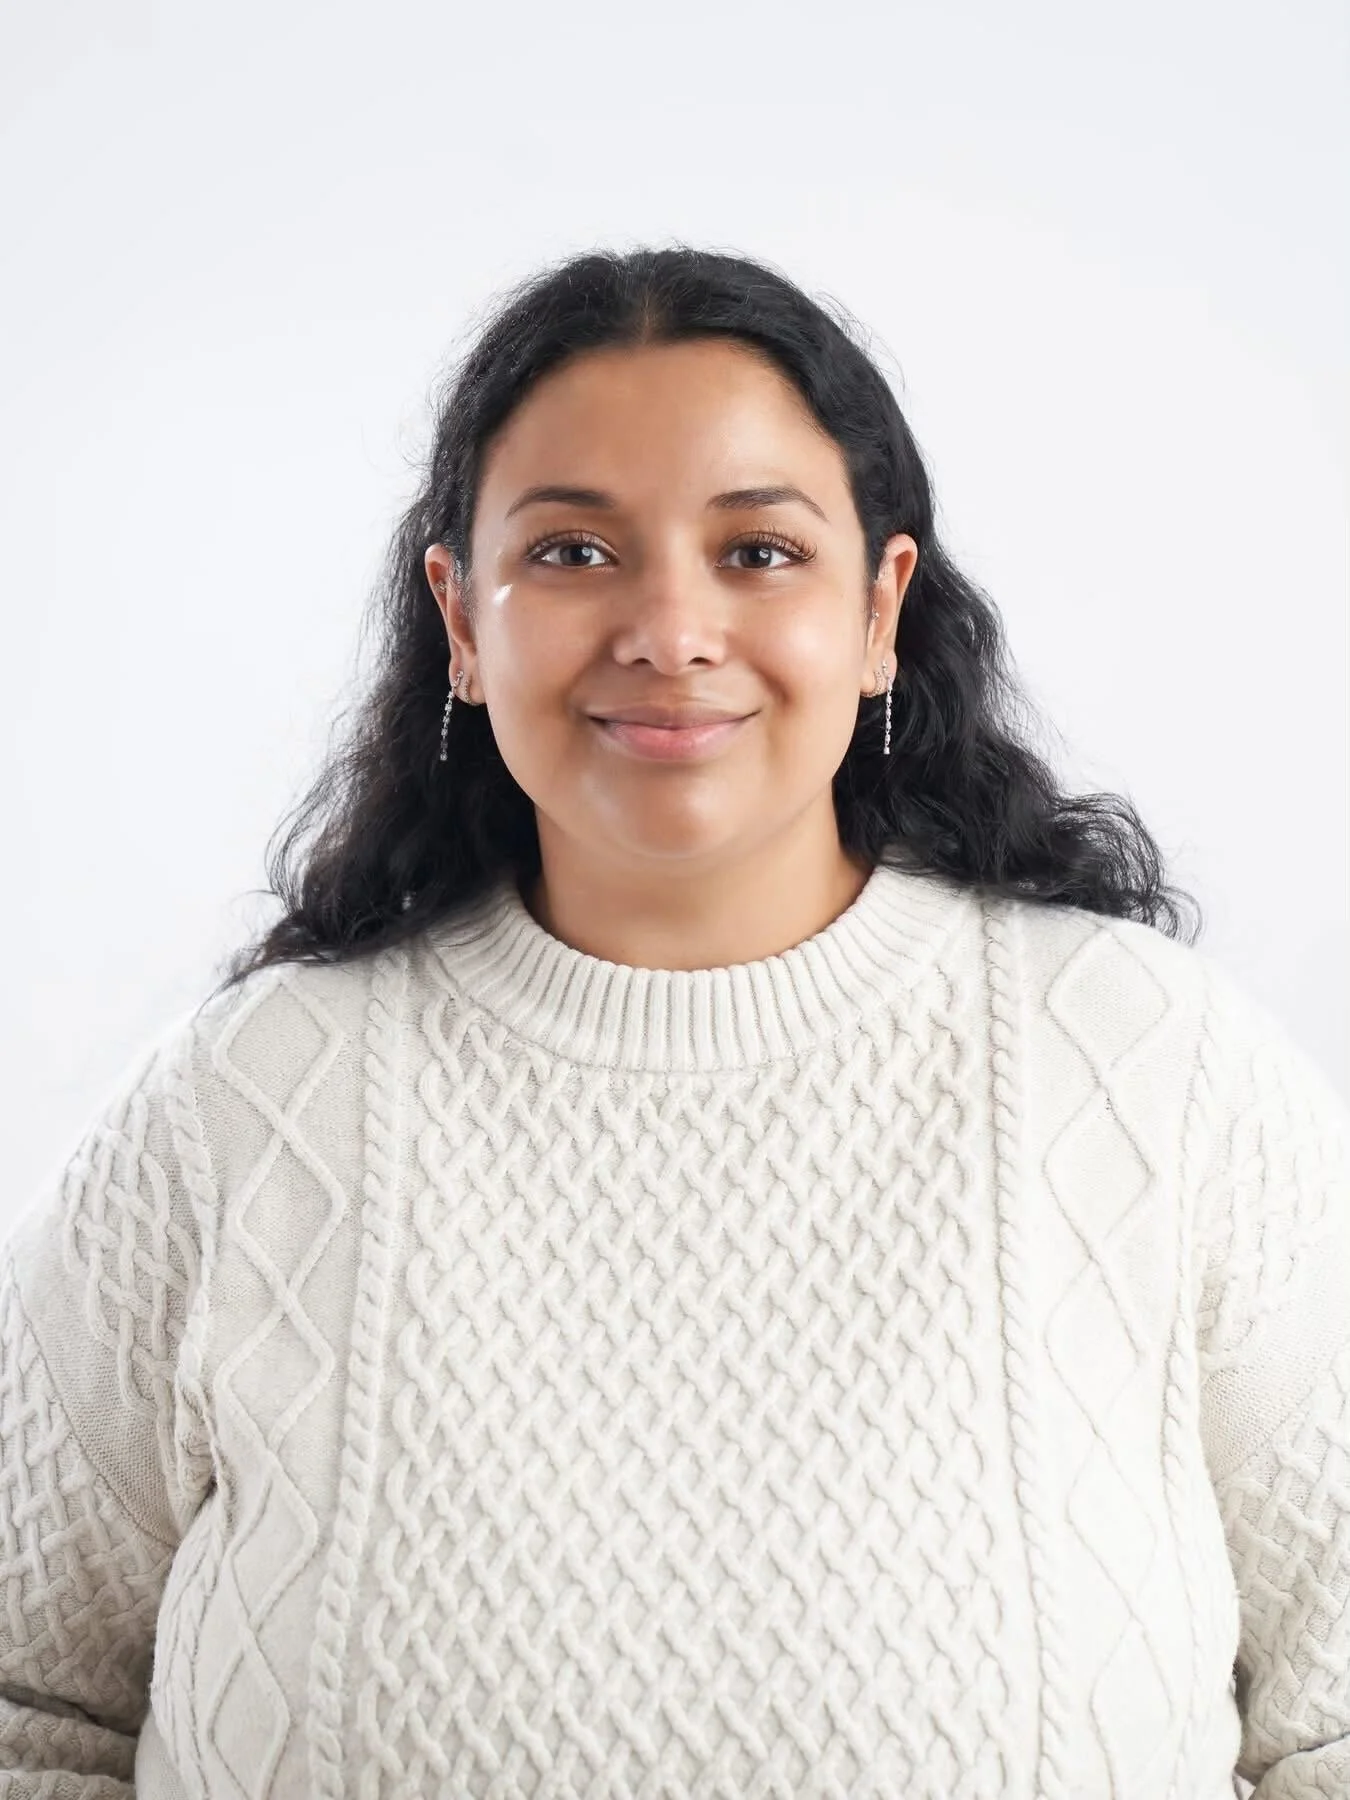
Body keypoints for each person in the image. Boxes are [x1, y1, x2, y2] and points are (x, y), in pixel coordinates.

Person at [1, 244, 1345, 1800]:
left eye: (757, 552)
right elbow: (27, 1708)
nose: (668, 629)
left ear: (879, 608)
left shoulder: (1151, 1071)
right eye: (572, 552)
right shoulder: (246, 1104)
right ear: (459, 616)